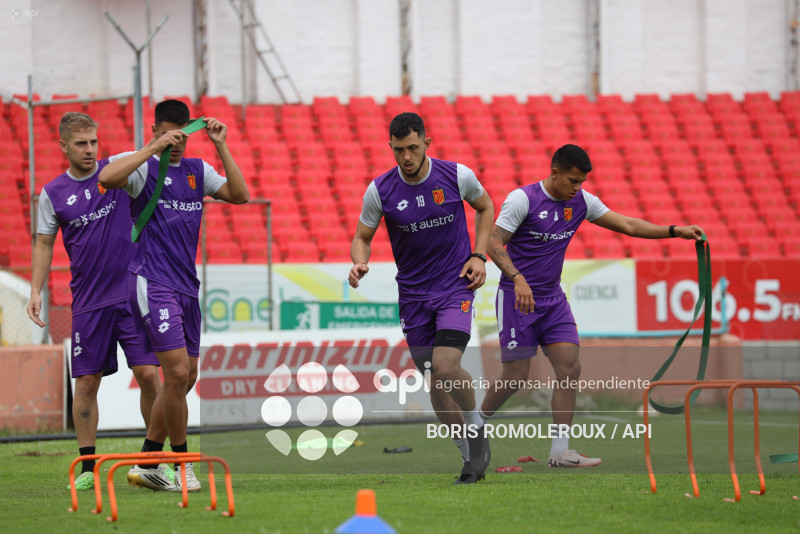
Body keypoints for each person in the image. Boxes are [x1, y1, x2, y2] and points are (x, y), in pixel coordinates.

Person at [481, 143, 704, 467]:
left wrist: (675, 231)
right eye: (573, 180)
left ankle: (560, 452)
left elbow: (627, 225)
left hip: (552, 299)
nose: (577, 187)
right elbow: (493, 242)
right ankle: (475, 424)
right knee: (516, 377)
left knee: (570, 367)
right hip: (517, 297)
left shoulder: (581, 202)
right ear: (554, 172)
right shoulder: (523, 199)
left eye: (582, 181)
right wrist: (517, 278)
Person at [99, 99, 249, 492]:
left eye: (182, 135)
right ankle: (182, 466)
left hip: (186, 285)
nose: (176, 143)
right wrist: (152, 147)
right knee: (177, 372)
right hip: (152, 280)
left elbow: (240, 194)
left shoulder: (199, 171)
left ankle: (149, 459)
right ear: (155, 130)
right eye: (169, 134)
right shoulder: (143, 164)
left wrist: (221, 144)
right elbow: (108, 177)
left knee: (186, 377)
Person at [348, 112, 494, 483]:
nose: (406, 157)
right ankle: (467, 457)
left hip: (453, 286)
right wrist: (360, 263)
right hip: (413, 295)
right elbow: (362, 236)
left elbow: (486, 208)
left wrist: (478, 255)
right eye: (399, 150)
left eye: (413, 148)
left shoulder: (457, 176)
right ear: (391, 148)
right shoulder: (380, 190)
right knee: (434, 379)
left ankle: (476, 428)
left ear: (427, 143)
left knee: (445, 366)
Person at [26, 112, 162, 491]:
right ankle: (88, 469)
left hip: (133, 294)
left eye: (93, 142)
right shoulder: (52, 194)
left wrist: (163, 139)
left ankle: (152, 459)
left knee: (150, 376)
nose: (89, 150)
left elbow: (156, 153)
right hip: (89, 302)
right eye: (81, 143)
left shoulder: (118, 172)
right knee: (86, 383)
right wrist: (35, 291)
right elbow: (43, 243)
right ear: (64, 146)